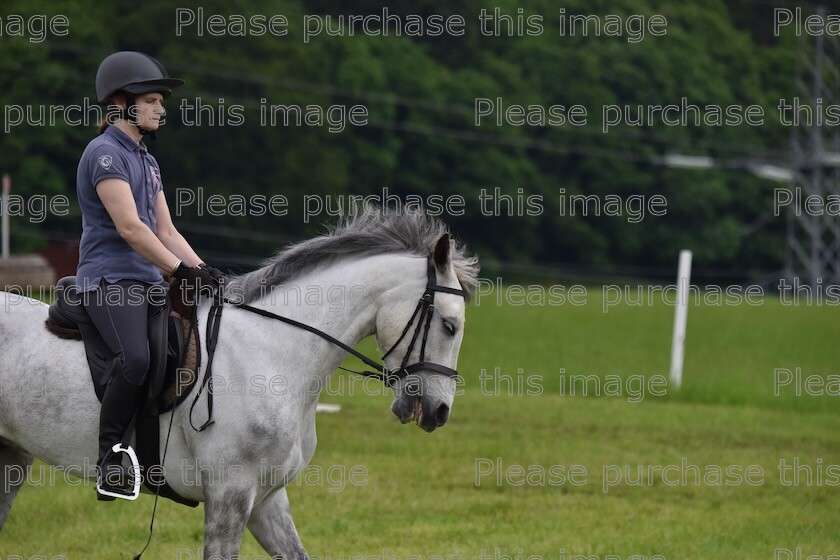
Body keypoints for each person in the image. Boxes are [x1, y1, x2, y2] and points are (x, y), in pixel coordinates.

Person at [75, 51, 222, 500]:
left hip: (147, 284)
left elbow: (165, 230)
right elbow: (131, 229)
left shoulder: (147, 161)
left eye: (161, 100)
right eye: (154, 99)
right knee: (136, 360)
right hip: (108, 282)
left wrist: (202, 271)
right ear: (122, 104)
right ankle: (112, 459)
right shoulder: (104, 155)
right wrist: (178, 269)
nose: (161, 108)